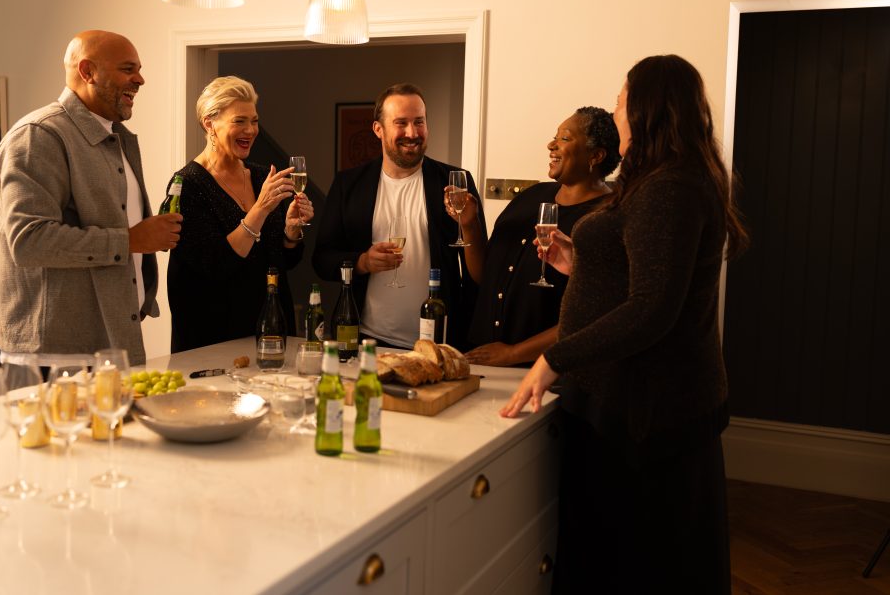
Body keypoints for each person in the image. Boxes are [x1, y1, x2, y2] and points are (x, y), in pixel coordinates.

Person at [501, 55, 748, 594]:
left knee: (638, 567)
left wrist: (552, 358)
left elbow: (653, 309)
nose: (615, 110)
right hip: (635, 402)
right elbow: (642, 276)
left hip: (646, 413)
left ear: (647, 107)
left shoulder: (669, 188)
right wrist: (582, 262)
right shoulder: (663, 180)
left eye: (620, 99)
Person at [0, 30, 181, 366]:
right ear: (87, 71)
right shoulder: (39, 136)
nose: (140, 79)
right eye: (127, 69)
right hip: (53, 356)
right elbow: (28, 241)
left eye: (138, 69)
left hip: (109, 342)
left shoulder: (116, 138)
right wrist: (130, 240)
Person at [313, 83, 486, 349]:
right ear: (378, 129)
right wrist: (362, 262)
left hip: (438, 341)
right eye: (401, 123)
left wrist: (471, 224)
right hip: (366, 339)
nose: (412, 132)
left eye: (419, 122)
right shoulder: (349, 184)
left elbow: (481, 272)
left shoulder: (454, 184)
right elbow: (322, 260)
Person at [164, 76, 313, 353]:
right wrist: (260, 209)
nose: (251, 130)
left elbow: (282, 262)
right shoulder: (187, 185)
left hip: (271, 327)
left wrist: (291, 232)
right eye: (239, 121)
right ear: (210, 124)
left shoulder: (260, 175)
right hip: (215, 338)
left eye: (254, 121)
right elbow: (216, 264)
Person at [463, 106, 620, 366]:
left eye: (565, 139)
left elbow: (593, 314)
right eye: (555, 137)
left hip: (542, 373)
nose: (551, 145)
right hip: (484, 361)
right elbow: (484, 275)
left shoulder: (607, 219)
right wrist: (469, 226)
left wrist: (514, 353)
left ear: (595, 156)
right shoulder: (529, 198)